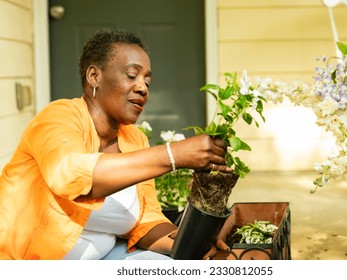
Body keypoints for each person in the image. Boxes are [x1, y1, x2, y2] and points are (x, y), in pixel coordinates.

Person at [0, 29, 231, 260]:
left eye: (147, 81)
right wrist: (173, 155)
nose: (143, 88)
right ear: (94, 76)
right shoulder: (58, 116)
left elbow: (145, 220)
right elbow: (70, 174)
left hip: (108, 256)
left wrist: (188, 242)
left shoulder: (134, 138)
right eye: (132, 75)